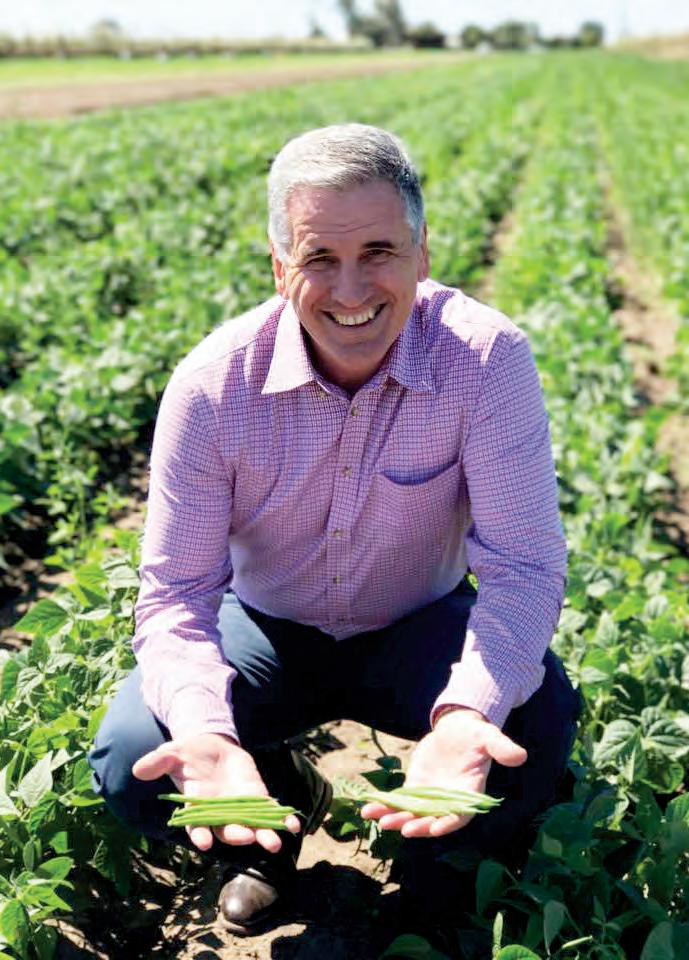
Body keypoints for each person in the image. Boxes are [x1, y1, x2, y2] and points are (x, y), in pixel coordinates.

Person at [87, 123, 580, 941]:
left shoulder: (485, 361)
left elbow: (522, 567)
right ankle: (271, 824)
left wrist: (465, 711)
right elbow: (176, 591)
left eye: (378, 251)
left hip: (417, 624)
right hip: (267, 629)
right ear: (280, 268)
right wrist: (208, 734)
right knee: (138, 756)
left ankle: (434, 862)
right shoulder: (211, 388)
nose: (351, 290)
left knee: (529, 724)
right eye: (319, 257)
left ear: (422, 255)